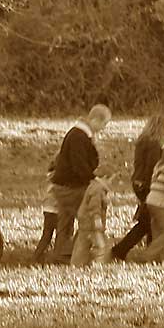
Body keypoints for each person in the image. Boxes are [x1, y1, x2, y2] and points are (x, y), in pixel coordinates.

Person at [50, 104, 111, 264]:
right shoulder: (79, 136)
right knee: (87, 216)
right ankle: (81, 255)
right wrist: (94, 180)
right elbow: (80, 166)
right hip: (69, 187)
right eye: (104, 124)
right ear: (96, 120)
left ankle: (62, 254)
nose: (104, 128)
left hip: (63, 185)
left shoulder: (79, 134)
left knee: (65, 220)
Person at [111, 115, 164, 260]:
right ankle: (121, 250)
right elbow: (152, 167)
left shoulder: (142, 141)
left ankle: (149, 252)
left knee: (148, 220)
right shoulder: (154, 145)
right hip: (148, 184)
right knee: (147, 222)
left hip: (137, 182)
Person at [71, 176, 112, 266]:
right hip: (92, 223)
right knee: (101, 246)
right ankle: (99, 265)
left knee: (82, 244)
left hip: (85, 221)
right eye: (110, 179)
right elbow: (94, 206)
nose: (111, 182)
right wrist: (97, 219)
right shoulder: (98, 189)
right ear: (105, 177)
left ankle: (76, 264)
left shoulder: (93, 186)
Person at [32, 156, 59, 262]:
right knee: (60, 235)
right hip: (55, 210)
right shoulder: (56, 180)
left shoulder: (49, 180)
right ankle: (57, 256)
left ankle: (37, 256)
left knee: (47, 235)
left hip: (48, 210)